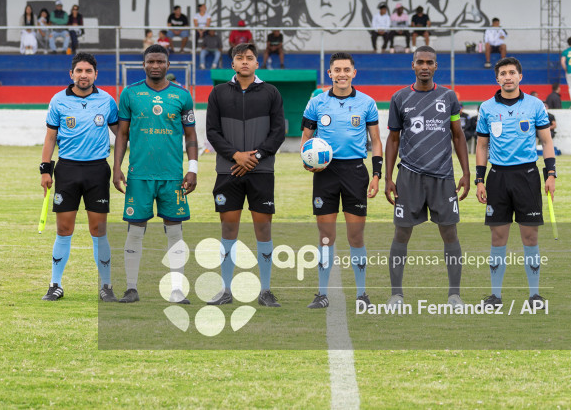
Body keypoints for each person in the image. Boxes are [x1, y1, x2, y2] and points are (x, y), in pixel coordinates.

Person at [384, 46, 470, 308]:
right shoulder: (399, 98)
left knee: (450, 233)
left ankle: (454, 295)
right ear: (413, 65)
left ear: (436, 66)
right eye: (419, 62)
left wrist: (466, 173)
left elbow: (458, 135)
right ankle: (396, 294)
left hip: (443, 177)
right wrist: (388, 177)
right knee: (401, 233)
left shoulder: (449, 97)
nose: (424, 66)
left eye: (429, 62)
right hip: (409, 176)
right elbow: (393, 139)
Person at [112, 44, 198, 304]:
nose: (155, 66)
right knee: (135, 230)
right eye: (151, 61)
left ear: (168, 65)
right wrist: (117, 168)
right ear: (144, 64)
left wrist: (192, 169)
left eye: (160, 61)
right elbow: (122, 134)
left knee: (174, 230)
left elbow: (191, 136)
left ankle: (176, 290)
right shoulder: (130, 94)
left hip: (173, 175)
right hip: (139, 175)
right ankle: (131, 288)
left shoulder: (182, 96)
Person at [205, 42, 286, 307]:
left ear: (256, 63)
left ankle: (265, 291)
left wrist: (255, 157)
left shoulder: (271, 92)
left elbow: (278, 132)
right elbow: (212, 132)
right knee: (229, 228)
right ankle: (226, 290)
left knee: (263, 228)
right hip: (227, 170)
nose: (245, 62)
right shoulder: (217, 93)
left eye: (250, 58)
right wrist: (236, 156)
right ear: (232, 63)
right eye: (240, 58)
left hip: (261, 171)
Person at [301, 52, 382, 309]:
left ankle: (362, 294)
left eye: (346, 69)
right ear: (330, 73)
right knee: (326, 236)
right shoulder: (317, 102)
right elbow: (306, 136)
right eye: (337, 70)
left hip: (355, 172)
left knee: (356, 236)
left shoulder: (367, 103)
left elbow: (377, 141)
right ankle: (322, 294)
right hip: (325, 174)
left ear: (354, 73)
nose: (342, 74)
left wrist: (377, 173)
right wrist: (306, 159)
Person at [474, 57, 556, 309]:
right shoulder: (487, 108)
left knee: (530, 237)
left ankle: (534, 296)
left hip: (528, 177)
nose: (507, 77)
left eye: (512, 72)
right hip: (497, 177)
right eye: (503, 73)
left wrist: (550, 174)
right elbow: (481, 145)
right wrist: (479, 179)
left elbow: (547, 141)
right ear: (496, 78)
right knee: (498, 238)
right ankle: (495, 296)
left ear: (520, 76)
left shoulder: (535, 106)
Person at [39, 52, 120, 302]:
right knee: (64, 229)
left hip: (97, 170)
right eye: (79, 71)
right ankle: (55, 284)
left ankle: (105, 286)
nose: (83, 75)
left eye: (88, 71)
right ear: (71, 74)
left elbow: (120, 134)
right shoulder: (58, 100)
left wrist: (124, 163)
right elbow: (50, 137)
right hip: (67, 170)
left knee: (99, 230)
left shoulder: (107, 101)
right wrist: (45, 169)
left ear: (96, 74)